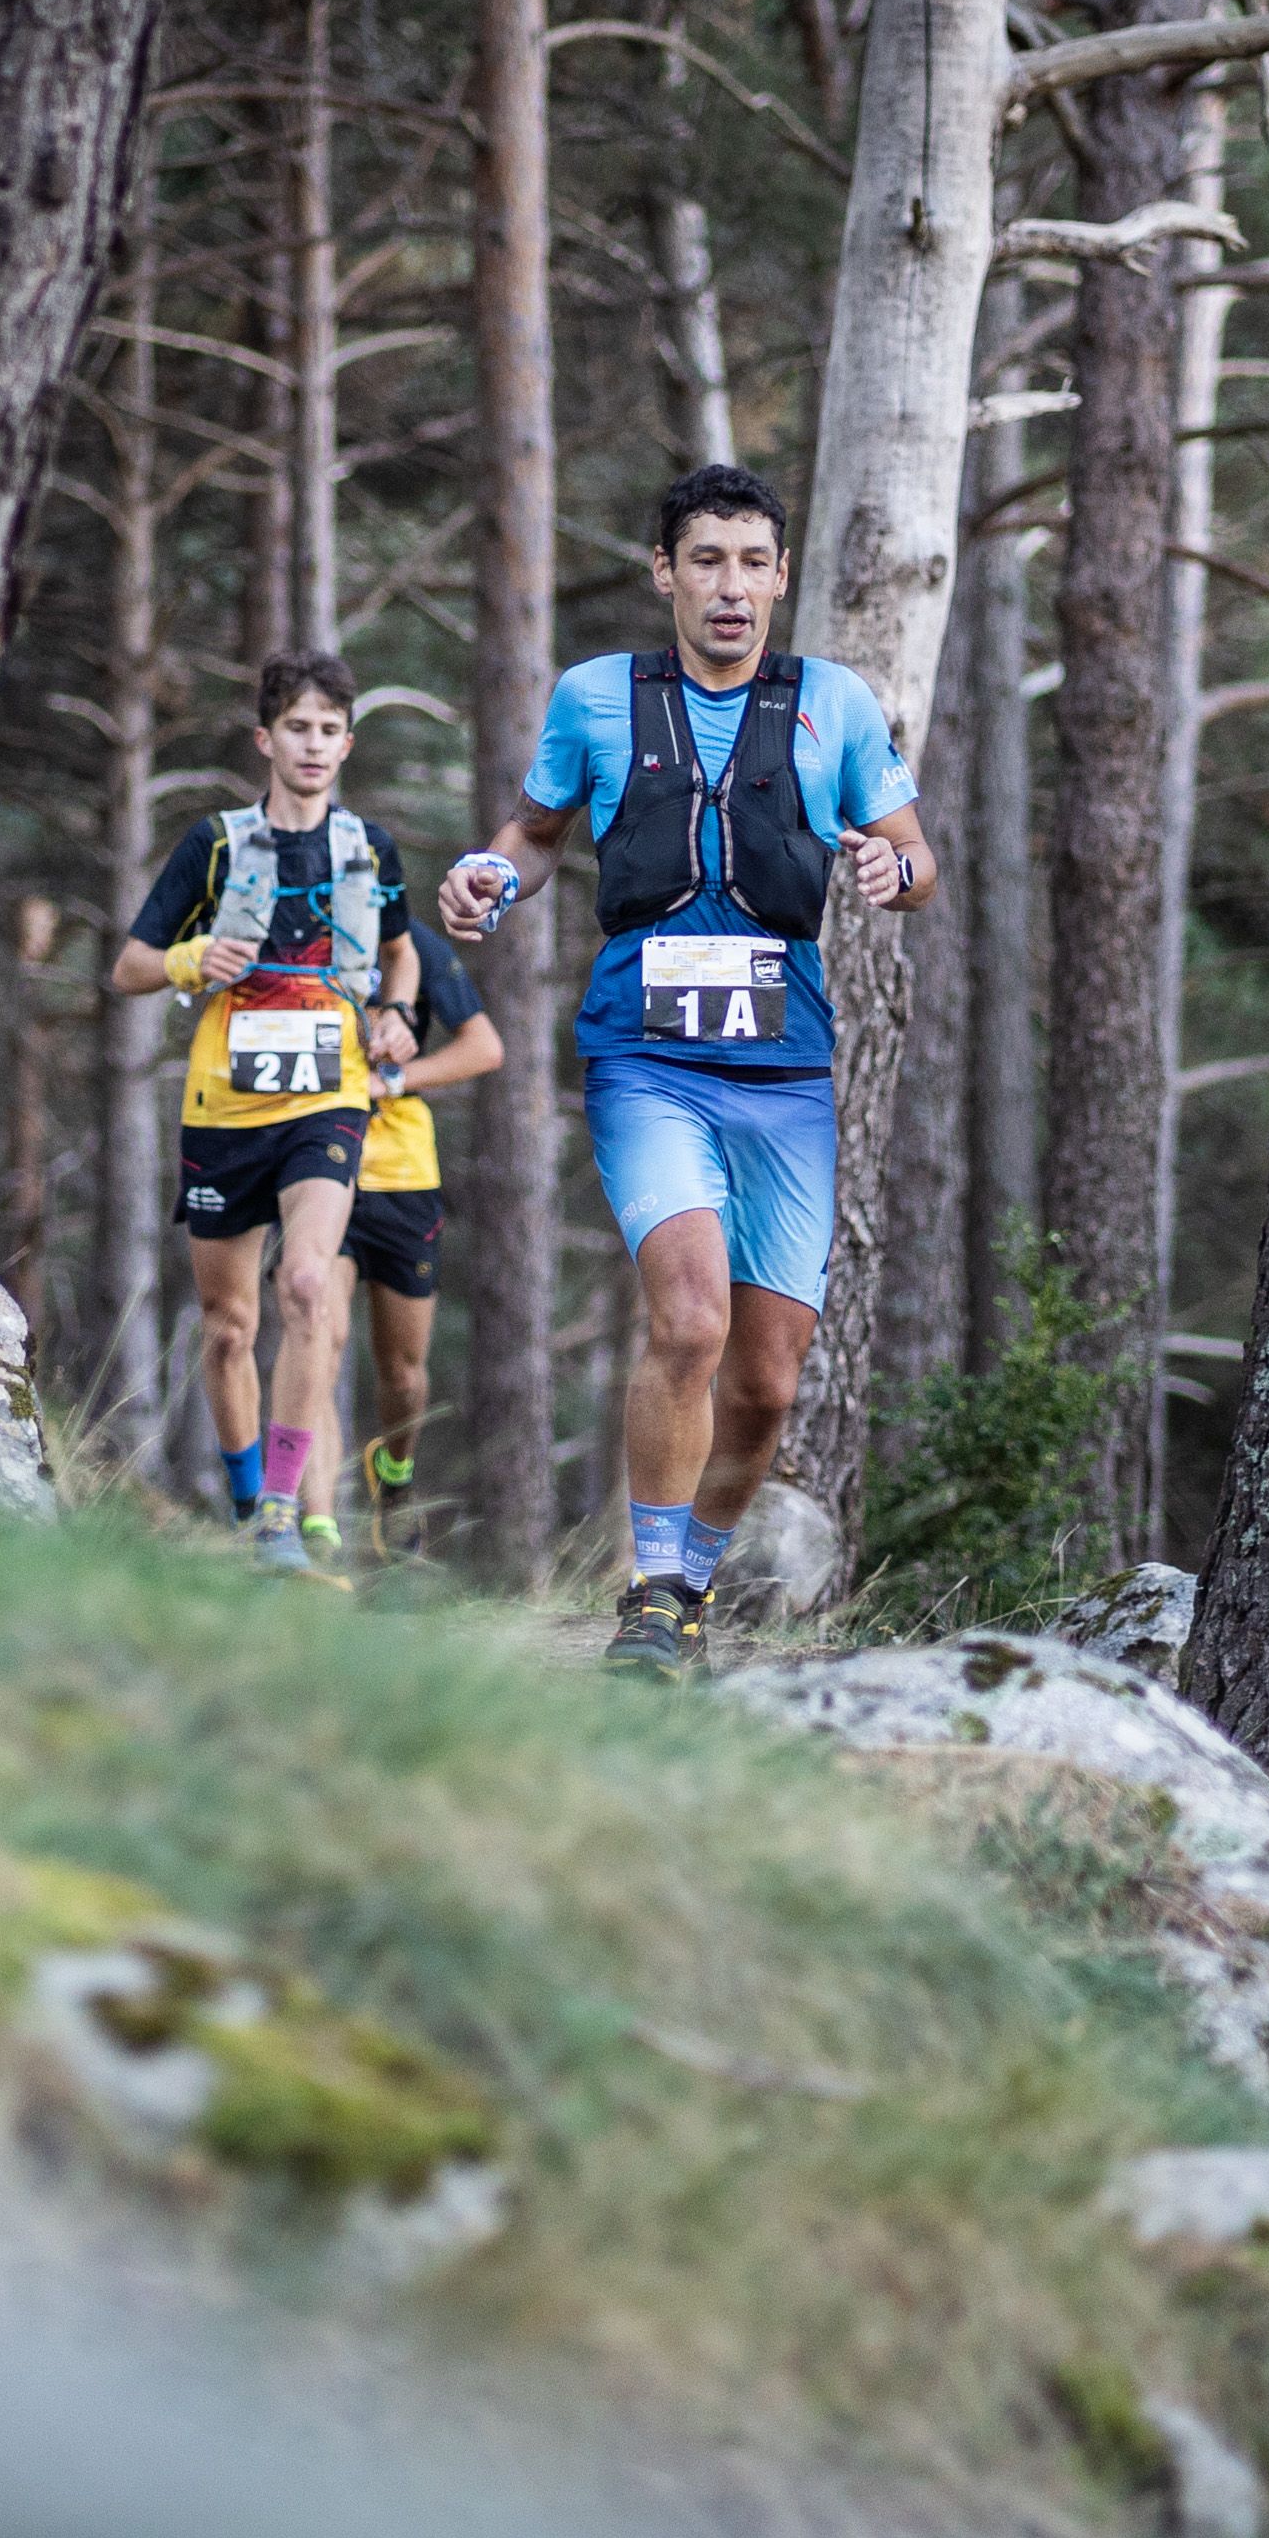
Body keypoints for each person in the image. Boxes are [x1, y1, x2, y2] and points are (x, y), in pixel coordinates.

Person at [436, 463, 936, 1675]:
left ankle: (691, 1585)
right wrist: (489, 876)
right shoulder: (597, 698)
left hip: (785, 1074)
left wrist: (893, 873)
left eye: (753, 563)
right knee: (690, 1317)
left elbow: (914, 854)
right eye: (706, 560)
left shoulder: (834, 705)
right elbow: (535, 837)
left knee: (766, 1384)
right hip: (646, 1061)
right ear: (665, 572)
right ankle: (651, 1593)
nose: (731, 587)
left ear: (781, 576)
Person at [109, 649, 419, 1575]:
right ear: (265, 739)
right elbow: (127, 966)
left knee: (311, 1285)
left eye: (329, 730)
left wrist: (399, 1013)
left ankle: (283, 1508)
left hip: (329, 1100)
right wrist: (189, 959)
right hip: (225, 1106)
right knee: (229, 1325)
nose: (313, 745)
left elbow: (401, 951)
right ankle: (251, 1502)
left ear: (347, 744)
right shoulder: (214, 844)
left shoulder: (369, 847)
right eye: (297, 728)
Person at [340, 918, 504, 1555]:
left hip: (403, 1174)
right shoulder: (300, 927)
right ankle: (307, 1516)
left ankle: (395, 1475)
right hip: (315, 1159)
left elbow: (484, 1048)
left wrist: (393, 1080)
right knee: (315, 1333)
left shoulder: (413, 945)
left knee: (403, 1374)